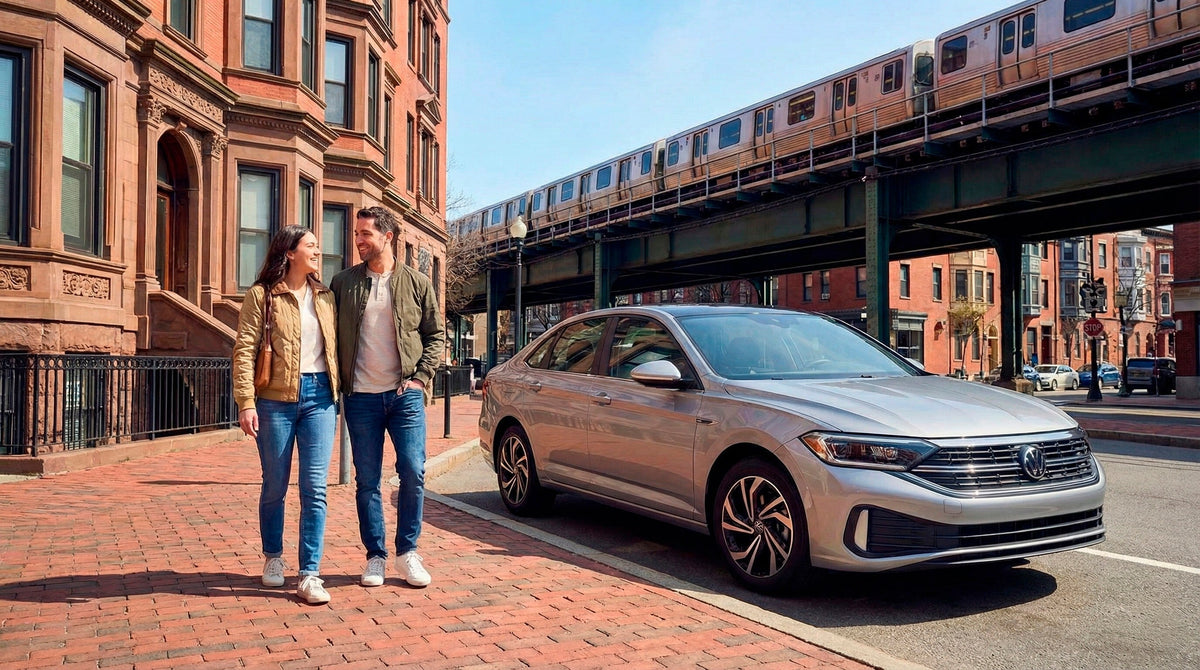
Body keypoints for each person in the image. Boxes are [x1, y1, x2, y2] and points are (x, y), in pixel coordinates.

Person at [330, 206, 444, 588]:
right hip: (360, 397)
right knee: (367, 480)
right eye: (357, 234)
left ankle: (407, 552)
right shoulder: (343, 283)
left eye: (365, 234)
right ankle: (375, 555)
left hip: (404, 395)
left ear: (387, 236)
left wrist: (421, 378)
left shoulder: (416, 282)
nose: (358, 240)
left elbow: (436, 335)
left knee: (413, 471)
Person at [232, 225, 340, 605]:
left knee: (315, 488)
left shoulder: (326, 296)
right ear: (290, 252)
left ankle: (310, 573)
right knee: (275, 484)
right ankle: (273, 558)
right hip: (274, 401)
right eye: (311, 245)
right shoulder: (262, 296)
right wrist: (246, 401)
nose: (317, 251)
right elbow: (244, 349)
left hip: (321, 399)